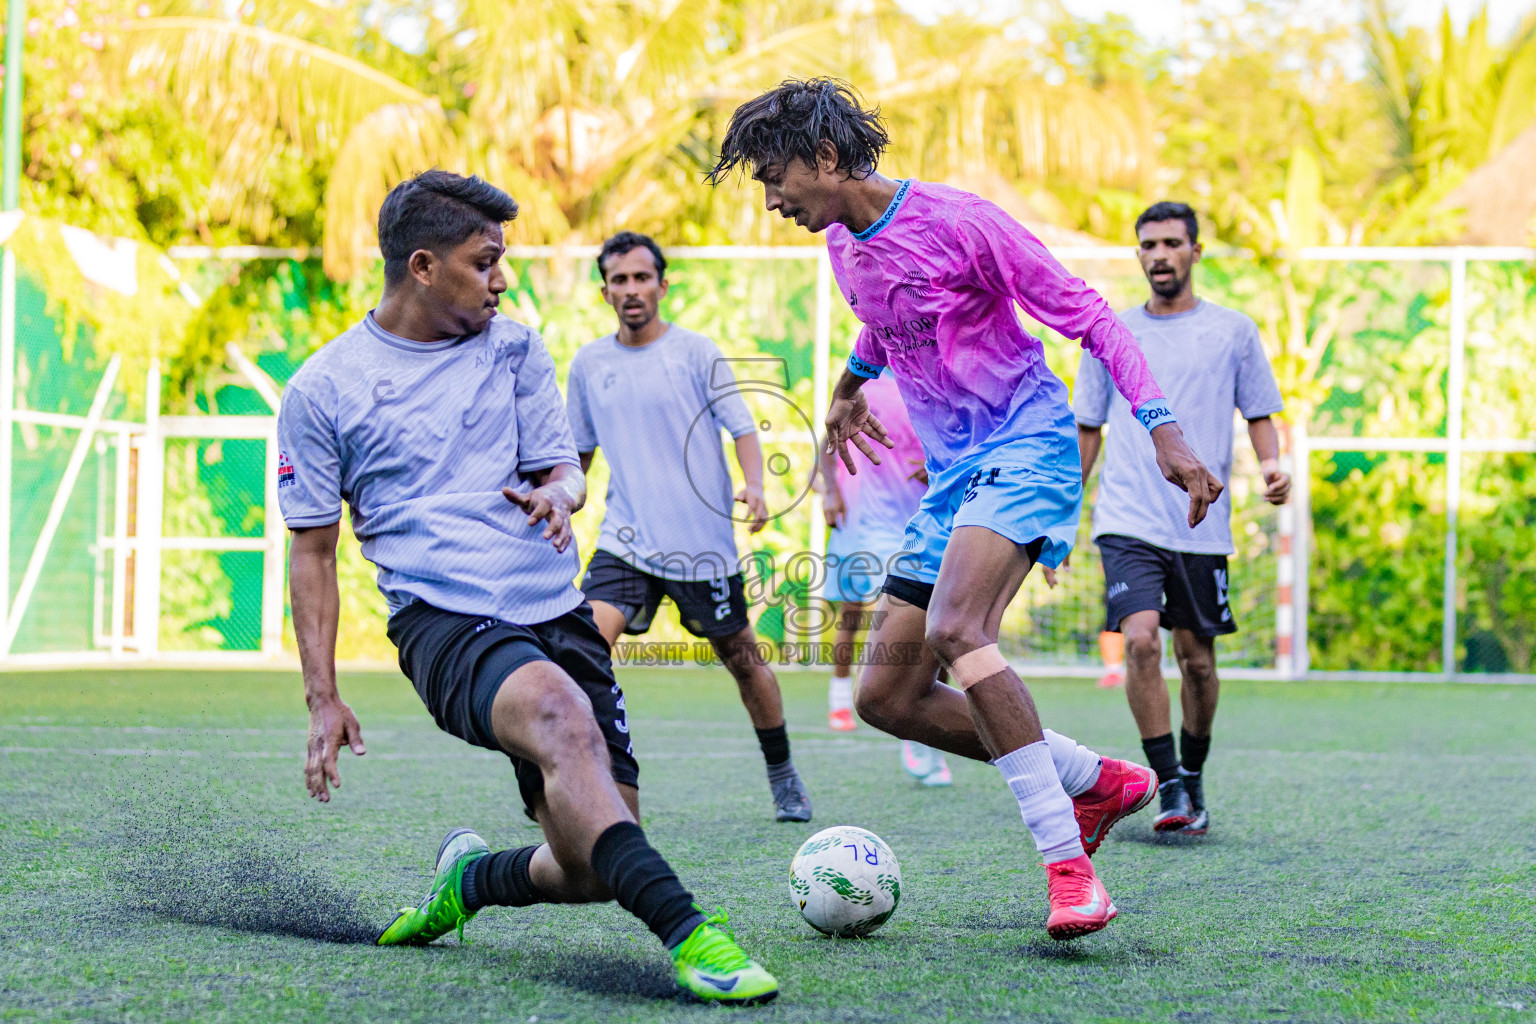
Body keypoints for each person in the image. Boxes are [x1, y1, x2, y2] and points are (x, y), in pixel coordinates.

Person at [707, 78, 1223, 941]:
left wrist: (1164, 432)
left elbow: (1093, 318)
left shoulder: (961, 221)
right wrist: (848, 388)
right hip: (952, 479)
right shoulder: (842, 243)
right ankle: (1096, 780)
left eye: (774, 177)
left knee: (956, 629)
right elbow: (886, 317)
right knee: (888, 696)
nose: (771, 199)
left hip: (1026, 446)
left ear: (826, 159)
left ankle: (1071, 873)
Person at [280, 171, 778, 1004]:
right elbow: (313, 553)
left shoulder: (514, 347)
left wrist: (559, 493)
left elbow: (563, 470)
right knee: (560, 718)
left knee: (588, 863)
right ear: (424, 266)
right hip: (445, 622)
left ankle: (471, 882)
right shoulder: (323, 388)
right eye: (486, 262)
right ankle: (692, 935)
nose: (502, 278)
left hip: (555, 611)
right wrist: (320, 696)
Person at [565, 231, 813, 824]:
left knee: (742, 658)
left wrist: (754, 485)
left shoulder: (696, 353)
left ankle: (782, 774)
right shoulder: (589, 364)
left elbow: (743, 428)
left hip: (702, 547)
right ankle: (578, 777)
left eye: (641, 277)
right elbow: (578, 457)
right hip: (625, 541)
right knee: (579, 649)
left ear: (662, 285)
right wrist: (559, 503)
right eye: (619, 280)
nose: (631, 289)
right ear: (604, 290)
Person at [1074, 200, 1288, 837]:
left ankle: (1193, 774)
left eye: (1171, 243)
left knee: (1196, 660)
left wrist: (1272, 465)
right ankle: (1166, 783)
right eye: (1147, 245)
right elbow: (1087, 430)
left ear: (1195, 251)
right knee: (1139, 640)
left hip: (1201, 524)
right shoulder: (1110, 331)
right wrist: (1057, 519)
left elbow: (1260, 413)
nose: (1158, 255)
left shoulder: (1232, 331)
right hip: (1126, 518)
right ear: (1137, 254)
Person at [816, 370, 951, 786]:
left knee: (932, 625)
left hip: (916, 518)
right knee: (852, 612)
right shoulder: (859, 380)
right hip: (860, 513)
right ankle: (840, 697)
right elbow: (825, 443)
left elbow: (956, 448)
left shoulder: (936, 381)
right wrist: (829, 491)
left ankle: (919, 724)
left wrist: (939, 469)